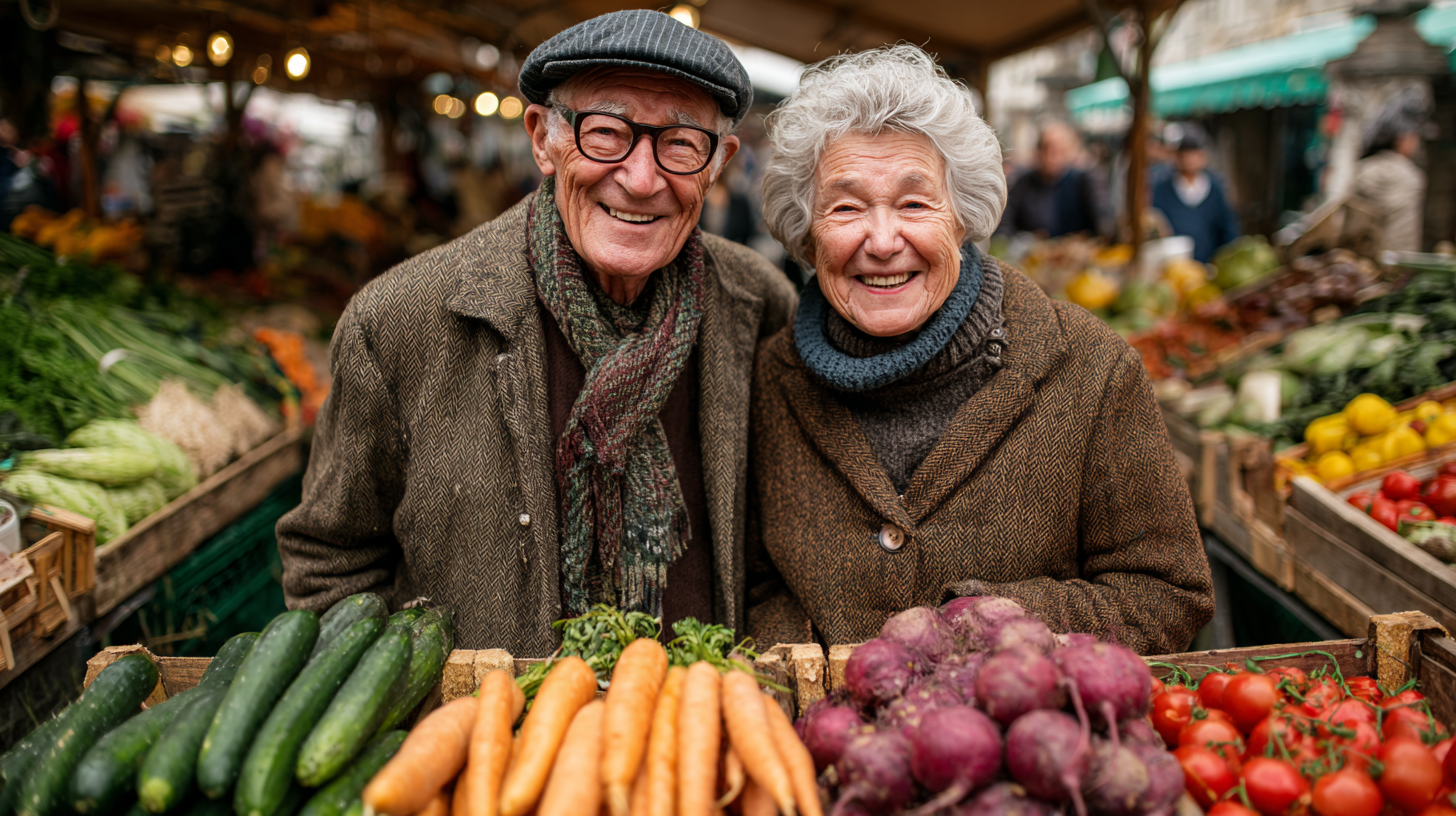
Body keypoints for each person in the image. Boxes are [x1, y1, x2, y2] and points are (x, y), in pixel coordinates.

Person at [276, 10, 797, 654]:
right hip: (491, 737)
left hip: (698, 728)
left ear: (717, 163)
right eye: (605, 134)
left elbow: (781, 553)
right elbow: (332, 560)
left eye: (681, 144)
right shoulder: (402, 321)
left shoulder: (759, 306)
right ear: (543, 140)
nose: (640, 178)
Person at [749, 45, 1214, 655]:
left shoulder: (1092, 369)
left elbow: (1170, 594)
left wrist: (981, 628)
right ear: (805, 234)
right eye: (846, 207)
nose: (884, 241)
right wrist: (822, 662)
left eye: (915, 203)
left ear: (963, 217)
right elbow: (753, 589)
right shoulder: (770, 380)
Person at [996, 121, 1113, 240]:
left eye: (1058, 150)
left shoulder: (1083, 182)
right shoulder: (1023, 184)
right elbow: (1006, 225)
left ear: (1068, 151)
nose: (1051, 156)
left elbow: (1102, 219)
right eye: (1046, 148)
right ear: (1038, 151)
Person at [1150, 128, 1241, 263]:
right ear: (1176, 158)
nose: (1190, 160)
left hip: (1211, 262)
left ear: (1203, 157)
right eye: (1185, 155)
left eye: (1194, 155)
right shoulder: (1162, 189)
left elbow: (1227, 226)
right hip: (1175, 265)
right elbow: (1157, 225)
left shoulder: (1215, 188)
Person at [1354, 97, 1427, 253]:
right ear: (1402, 138)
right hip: (1389, 266)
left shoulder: (1363, 169)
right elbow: (1402, 233)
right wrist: (1399, 269)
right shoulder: (1405, 175)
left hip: (1360, 265)